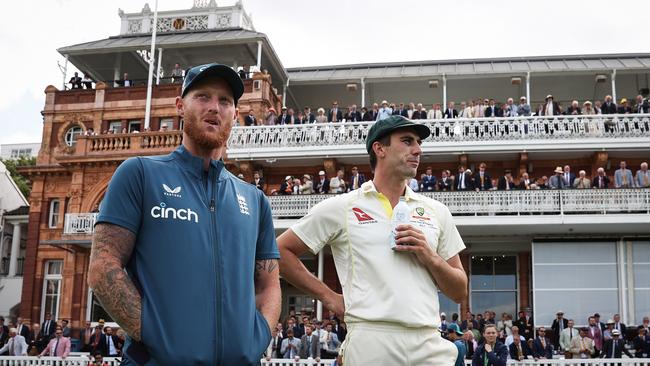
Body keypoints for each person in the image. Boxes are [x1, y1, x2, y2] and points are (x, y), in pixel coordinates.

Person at [89, 63, 281, 365]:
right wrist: (156, 335)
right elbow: (102, 266)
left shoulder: (255, 200)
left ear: (235, 113)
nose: (214, 108)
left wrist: (258, 336)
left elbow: (268, 284)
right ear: (180, 106)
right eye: (203, 97)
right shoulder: (139, 174)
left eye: (225, 101)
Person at [277, 115, 467, 365]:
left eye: (418, 143)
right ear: (380, 149)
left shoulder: (436, 211)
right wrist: (329, 297)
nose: (418, 150)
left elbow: (459, 290)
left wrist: (429, 255)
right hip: (370, 339)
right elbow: (281, 250)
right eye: (407, 141)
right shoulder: (343, 206)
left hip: (428, 341)